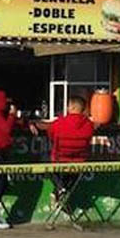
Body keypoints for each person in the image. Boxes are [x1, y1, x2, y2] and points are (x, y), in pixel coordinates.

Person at [0, 89, 37, 229]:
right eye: (4, 102)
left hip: (1, 152)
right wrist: (12, 114)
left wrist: (27, 123)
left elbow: (13, 123)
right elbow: (6, 128)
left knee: (2, 184)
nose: (6, 105)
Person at [47, 96, 96, 230]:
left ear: (72, 108)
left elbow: (50, 134)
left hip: (59, 160)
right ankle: (62, 190)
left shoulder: (59, 123)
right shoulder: (89, 125)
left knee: (45, 162)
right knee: (71, 172)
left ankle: (60, 189)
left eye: (68, 106)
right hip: (79, 163)